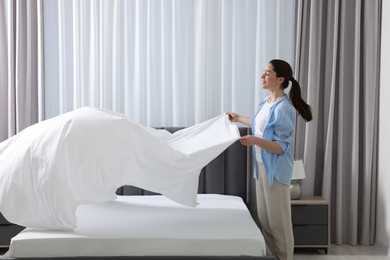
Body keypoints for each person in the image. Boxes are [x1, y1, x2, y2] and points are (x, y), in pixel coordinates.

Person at [227, 59, 312, 260]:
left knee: (279, 224)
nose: (262, 76)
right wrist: (239, 118)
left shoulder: (284, 108)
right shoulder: (266, 103)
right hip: (262, 167)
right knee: (265, 221)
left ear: (280, 79)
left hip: (276, 171)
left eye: (267, 73)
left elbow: (281, 147)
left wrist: (255, 140)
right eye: (263, 72)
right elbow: (259, 123)